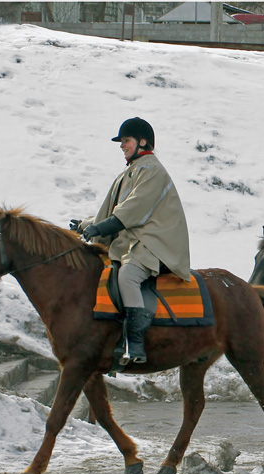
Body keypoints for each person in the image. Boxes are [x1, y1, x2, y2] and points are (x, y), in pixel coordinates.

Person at [71, 117, 190, 364]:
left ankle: (135, 343)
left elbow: (133, 210)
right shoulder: (131, 171)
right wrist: (86, 224)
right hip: (133, 241)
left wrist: (101, 227)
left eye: (126, 140)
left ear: (142, 142)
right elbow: (113, 211)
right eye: (122, 141)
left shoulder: (152, 170)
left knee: (128, 277)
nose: (122, 145)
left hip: (153, 243)